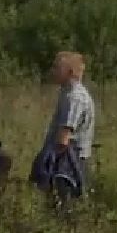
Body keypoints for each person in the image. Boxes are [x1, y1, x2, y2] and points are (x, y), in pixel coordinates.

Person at [34, 51, 97, 203]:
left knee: (65, 205)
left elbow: (64, 137)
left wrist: (49, 163)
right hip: (67, 159)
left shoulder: (75, 97)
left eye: (57, 67)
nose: (53, 71)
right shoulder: (67, 93)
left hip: (68, 161)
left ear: (69, 71)